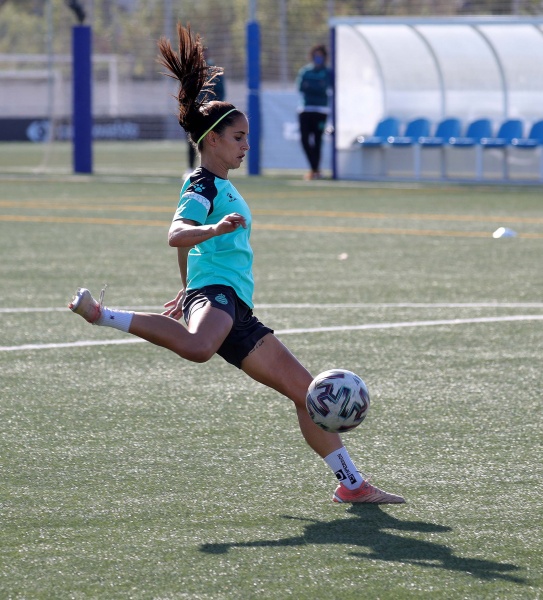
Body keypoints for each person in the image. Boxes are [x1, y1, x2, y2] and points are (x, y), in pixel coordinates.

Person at [68, 23, 404, 506]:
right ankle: (103, 314)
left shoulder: (220, 185)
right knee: (199, 347)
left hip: (234, 308)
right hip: (219, 297)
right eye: (239, 137)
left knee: (309, 394)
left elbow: (187, 251)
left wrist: (186, 289)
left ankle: (351, 484)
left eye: (248, 137)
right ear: (212, 140)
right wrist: (212, 239)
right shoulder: (202, 185)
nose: (246, 145)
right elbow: (177, 235)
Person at [296, 44, 333, 180]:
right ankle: (314, 169)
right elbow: (301, 87)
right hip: (305, 110)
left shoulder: (328, 72)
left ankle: (315, 170)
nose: (318, 58)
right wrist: (317, 87)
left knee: (318, 140)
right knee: (305, 140)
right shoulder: (305, 71)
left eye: (320, 56)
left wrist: (312, 87)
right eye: (316, 55)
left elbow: (324, 88)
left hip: (321, 111)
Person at [186, 46, 225, 174]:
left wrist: (215, 107)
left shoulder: (214, 70)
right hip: (195, 111)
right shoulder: (191, 71)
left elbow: (221, 91)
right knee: (193, 140)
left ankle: (212, 168)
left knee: (212, 140)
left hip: (210, 112)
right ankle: (191, 168)